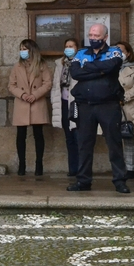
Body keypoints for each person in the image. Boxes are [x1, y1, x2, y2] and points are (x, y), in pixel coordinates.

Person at [68, 24, 130, 193]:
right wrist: (101, 71)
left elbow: (112, 66)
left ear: (105, 37)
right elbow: (75, 73)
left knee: (114, 144)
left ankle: (120, 181)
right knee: (84, 145)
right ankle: (83, 181)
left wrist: (88, 67)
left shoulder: (114, 52)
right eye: (91, 35)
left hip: (108, 105)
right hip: (85, 106)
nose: (93, 38)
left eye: (96, 36)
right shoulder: (81, 53)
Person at [8, 39, 52, 176]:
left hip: (37, 103)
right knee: (21, 135)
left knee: (38, 134)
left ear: (31, 50)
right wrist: (22, 95)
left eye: (25, 49)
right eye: (21, 49)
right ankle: (22, 164)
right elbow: (11, 85)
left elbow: (47, 83)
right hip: (22, 103)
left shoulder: (41, 65)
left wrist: (35, 95)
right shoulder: (17, 66)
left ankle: (39, 164)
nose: (22, 51)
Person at [51, 38, 79, 177]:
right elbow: (56, 85)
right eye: (66, 46)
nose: (68, 48)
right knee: (69, 137)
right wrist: (53, 101)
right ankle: (72, 169)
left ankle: (82, 169)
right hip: (63, 102)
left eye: (71, 46)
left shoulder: (81, 62)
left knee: (78, 136)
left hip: (76, 103)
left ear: (77, 48)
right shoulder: (60, 64)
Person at [117, 40, 134, 180]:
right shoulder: (110, 66)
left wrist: (123, 97)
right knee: (114, 139)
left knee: (128, 138)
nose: (119, 53)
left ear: (128, 53)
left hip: (127, 106)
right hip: (112, 106)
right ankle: (118, 168)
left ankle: (130, 168)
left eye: (121, 50)